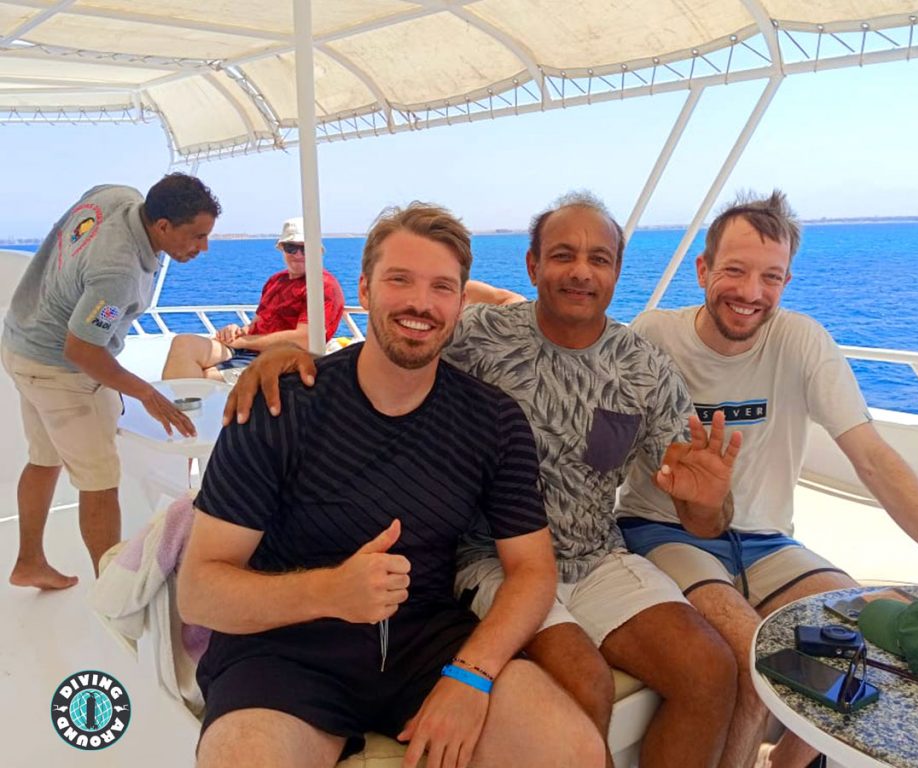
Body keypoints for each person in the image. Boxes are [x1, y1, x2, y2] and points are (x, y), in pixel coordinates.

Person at [223, 192, 743, 768]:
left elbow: (703, 514)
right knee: (583, 682)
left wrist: (707, 505)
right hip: (488, 556)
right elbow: (400, 346)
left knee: (711, 671)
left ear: (617, 271)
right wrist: (286, 362)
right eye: (563, 254)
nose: (580, 271)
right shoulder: (480, 335)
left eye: (599, 258)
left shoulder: (644, 368)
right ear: (532, 266)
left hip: (596, 555)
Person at [177, 202, 604, 768]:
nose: (420, 304)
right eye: (399, 280)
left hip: (425, 642)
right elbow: (199, 590)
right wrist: (329, 592)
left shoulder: (491, 420)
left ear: (458, 303)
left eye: (441, 288)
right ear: (365, 289)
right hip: (281, 650)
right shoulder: (281, 405)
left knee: (570, 751)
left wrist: (471, 676)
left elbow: (532, 570)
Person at [615, 190, 918, 768]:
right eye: (734, 270)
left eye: (771, 277)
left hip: (766, 539)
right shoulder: (655, 335)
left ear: (786, 281)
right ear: (703, 269)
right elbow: (598, 432)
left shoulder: (801, 341)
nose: (751, 293)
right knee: (755, 656)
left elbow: (873, 459)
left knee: (858, 639)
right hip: (663, 530)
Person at [2, 174, 219, 589]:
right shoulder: (118, 272)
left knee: (44, 458)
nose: (203, 247)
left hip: (20, 345)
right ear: (162, 227)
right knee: (99, 481)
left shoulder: (118, 196)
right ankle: (114, 595)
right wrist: (146, 393)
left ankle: (29, 561)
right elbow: (82, 351)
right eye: (197, 236)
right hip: (57, 370)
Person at [161, 217, 344, 380]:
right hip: (248, 350)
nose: (298, 255)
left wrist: (242, 342)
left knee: (208, 376)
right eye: (291, 248)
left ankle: (190, 415)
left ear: (317, 251)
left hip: (283, 360)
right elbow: (258, 323)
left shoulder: (322, 285)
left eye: (305, 248)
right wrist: (238, 331)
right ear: (281, 249)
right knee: (183, 344)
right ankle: (176, 415)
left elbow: (305, 339)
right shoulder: (276, 281)